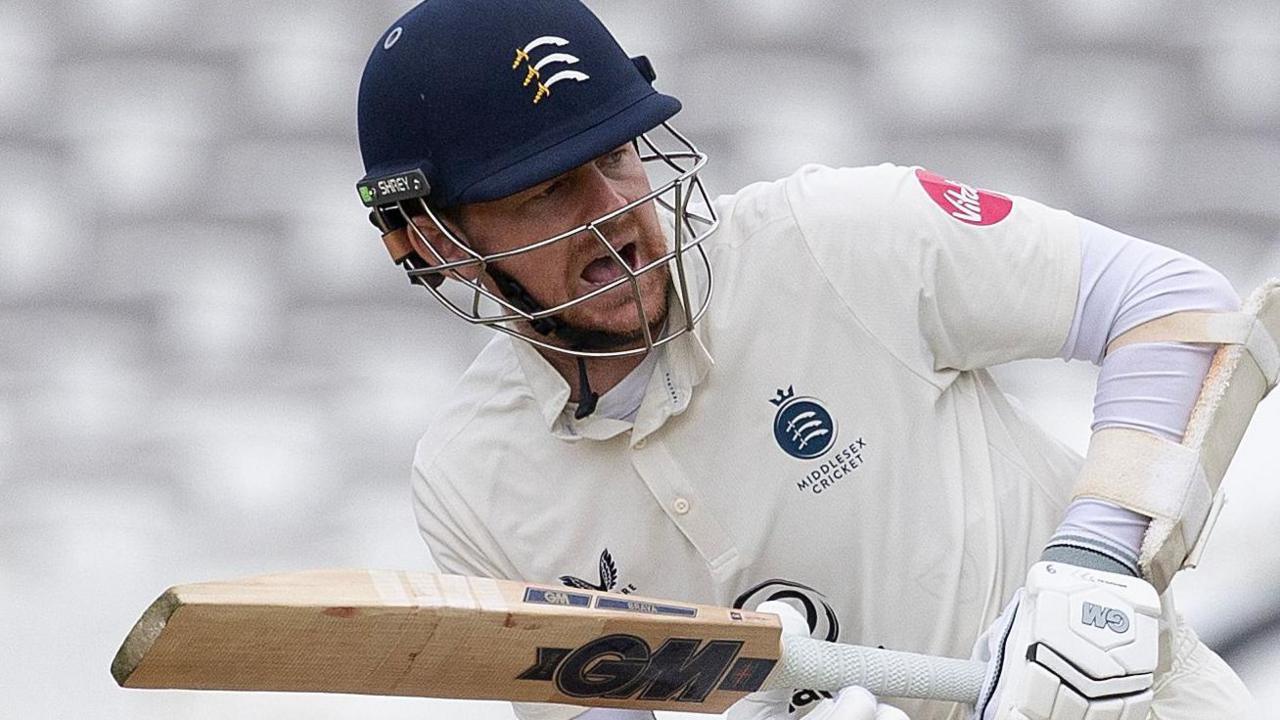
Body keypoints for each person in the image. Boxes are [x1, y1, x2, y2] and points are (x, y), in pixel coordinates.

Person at [354, 2, 1272, 719]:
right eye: (548, 190)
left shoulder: (831, 235)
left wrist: (1095, 572)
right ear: (431, 242)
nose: (617, 215)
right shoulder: (471, 480)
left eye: (619, 153)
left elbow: (1172, 301)